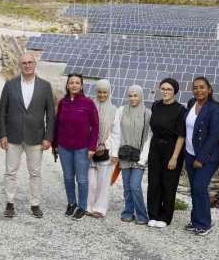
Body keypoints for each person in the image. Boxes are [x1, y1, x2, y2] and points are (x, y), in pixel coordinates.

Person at [0, 52, 55, 219]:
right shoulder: (10, 85)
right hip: (13, 136)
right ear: (19, 65)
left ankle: (35, 204)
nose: (27, 65)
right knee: (10, 172)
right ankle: (9, 203)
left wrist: (48, 137)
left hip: (36, 137)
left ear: (35, 63)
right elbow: (2, 113)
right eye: (24, 63)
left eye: (30, 62)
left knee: (35, 173)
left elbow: (50, 114)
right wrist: (3, 135)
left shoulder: (45, 86)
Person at [52, 74, 99, 221]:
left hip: (82, 147)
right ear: (67, 85)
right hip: (64, 146)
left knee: (82, 179)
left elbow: (96, 125)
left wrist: (92, 147)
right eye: (71, 82)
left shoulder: (88, 103)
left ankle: (82, 207)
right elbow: (57, 124)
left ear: (81, 86)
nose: (73, 85)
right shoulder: (62, 103)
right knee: (67, 177)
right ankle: (71, 203)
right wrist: (55, 144)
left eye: (77, 83)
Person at [183, 77, 219, 236]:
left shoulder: (215, 109)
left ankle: (205, 223)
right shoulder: (191, 103)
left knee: (200, 187)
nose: (198, 90)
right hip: (190, 152)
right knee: (194, 188)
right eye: (195, 88)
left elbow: (214, 136)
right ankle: (195, 220)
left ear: (209, 90)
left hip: (208, 157)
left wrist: (200, 158)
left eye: (202, 87)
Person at [107, 85, 151, 224]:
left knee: (135, 186)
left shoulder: (147, 113)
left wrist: (143, 158)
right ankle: (128, 212)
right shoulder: (121, 111)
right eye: (130, 96)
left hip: (139, 156)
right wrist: (115, 152)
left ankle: (142, 215)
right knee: (126, 186)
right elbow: (116, 132)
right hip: (125, 155)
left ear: (141, 96)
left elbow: (150, 136)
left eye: (135, 95)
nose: (132, 98)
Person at [146, 78, 186, 228]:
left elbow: (181, 135)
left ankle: (165, 217)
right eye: (163, 88)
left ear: (175, 91)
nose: (165, 91)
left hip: (172, 147)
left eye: (169, 89)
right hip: (156, 146)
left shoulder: (180, 110)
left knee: (169, 183)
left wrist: (174, 157)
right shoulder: (156, 105)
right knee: (154, 181)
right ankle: (153, 214)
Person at [85, 79, 116, 218]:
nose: (102, 95)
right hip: (89, 149)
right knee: (90, 181)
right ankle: (88, 206)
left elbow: (116, 133)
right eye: (99, 92)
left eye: (105, 92)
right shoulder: (89, 106)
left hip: (106, 150)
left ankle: (100, 208)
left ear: (109, 93)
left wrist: (106, 147)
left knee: (103, 182)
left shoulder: (114, 110)